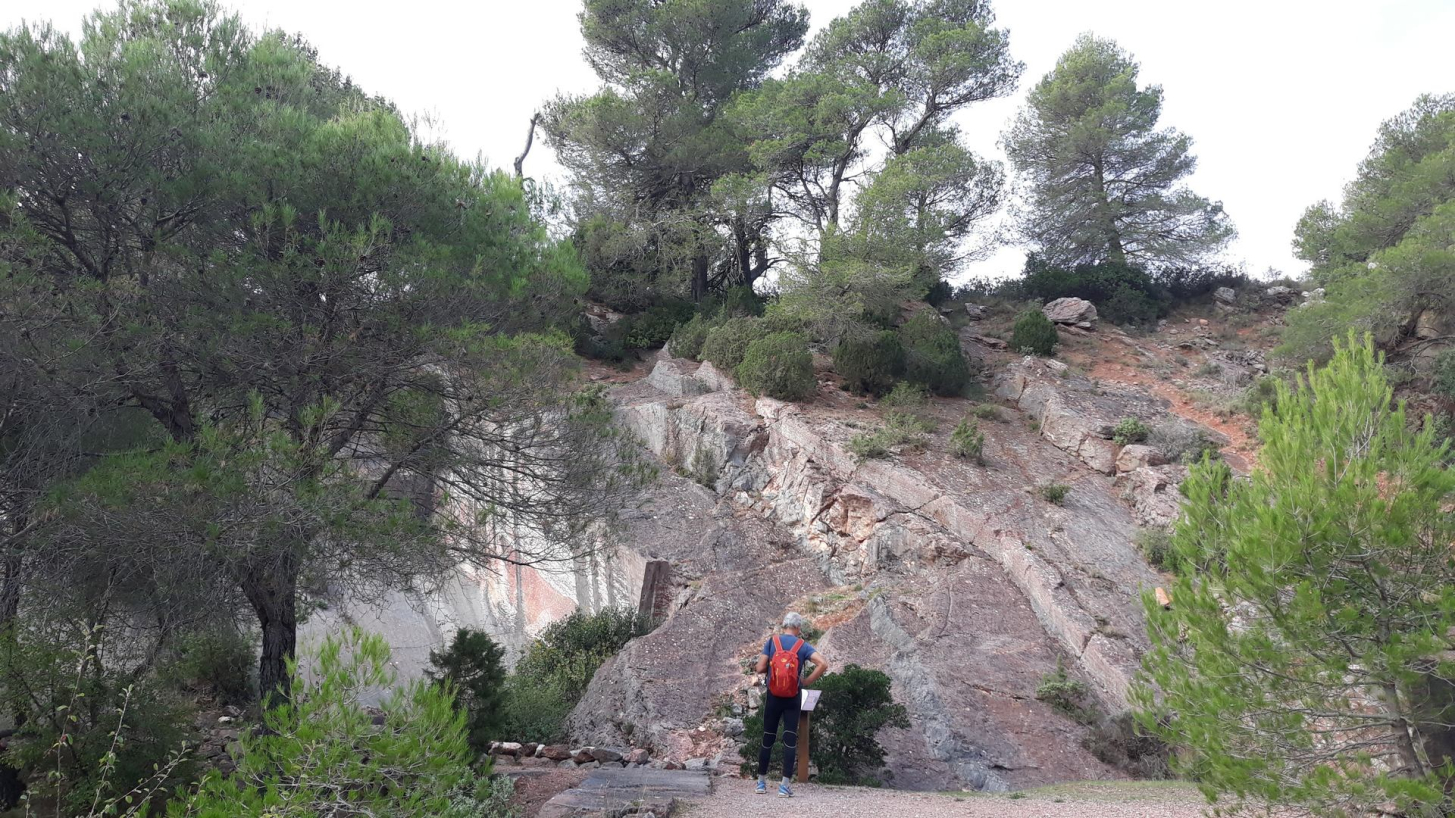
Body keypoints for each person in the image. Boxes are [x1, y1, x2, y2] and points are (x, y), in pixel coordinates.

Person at [753, 611, 829, 797]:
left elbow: (760, 667)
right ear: (799, 627)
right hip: (793, 698)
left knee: (768, 738)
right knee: (789, 740)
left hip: (773, 697)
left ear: (784, 625)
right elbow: (823, 664)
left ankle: (761, 783)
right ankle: (784, 786)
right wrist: (807, 681)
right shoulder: (803, 646)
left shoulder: (773, 642)